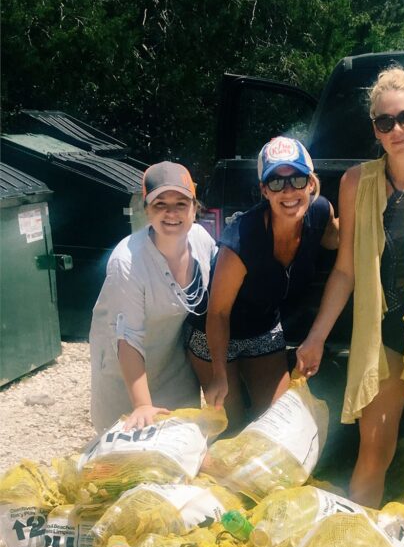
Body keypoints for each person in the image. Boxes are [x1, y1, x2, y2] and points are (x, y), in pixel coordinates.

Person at [295, 65, 404, 507]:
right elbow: (345, 270)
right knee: (374, 451)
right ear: (375, 130)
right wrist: (315, 338)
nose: (397, 129)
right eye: (384, 122)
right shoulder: (357, 183)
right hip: (383, 336)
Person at [197, 137, 338, 428]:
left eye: (297, 180)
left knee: (277, 426)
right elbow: (218, 313)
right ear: (264, 190)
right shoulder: (241, 240)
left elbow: (341, 241)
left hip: (262, 327)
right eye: (276, 182)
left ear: (311, 184)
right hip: (214, 333)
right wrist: (220, 374)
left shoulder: (321, 214)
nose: (288, 191)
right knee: (231, 427)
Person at [89, 161, 216, 433]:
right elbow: (127, 338)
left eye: (181, 203)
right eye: (160, 204)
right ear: (146, 210)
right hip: (124, 372)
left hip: (174, 366)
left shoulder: (203, 241)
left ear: (195, 208)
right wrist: (142, 405)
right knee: (125, 464)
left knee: (180, 448)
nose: (171, 213)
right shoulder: (127, 262)